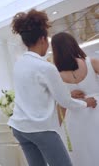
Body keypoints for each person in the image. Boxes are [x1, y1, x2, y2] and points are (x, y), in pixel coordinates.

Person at [8, 9, 97, 166]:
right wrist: (87, 102)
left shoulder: (19, 64)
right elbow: (65, 101)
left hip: (19, 128)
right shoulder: (46, 68)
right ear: (43, 39)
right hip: (40, 128)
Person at [51, 32, 99, 166]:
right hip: (96, 109)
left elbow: (61, 104)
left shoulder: (56, 75)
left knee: (82, 155)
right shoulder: (92, 62)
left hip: (75, 118)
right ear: (73, 45)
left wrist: (57, 129)